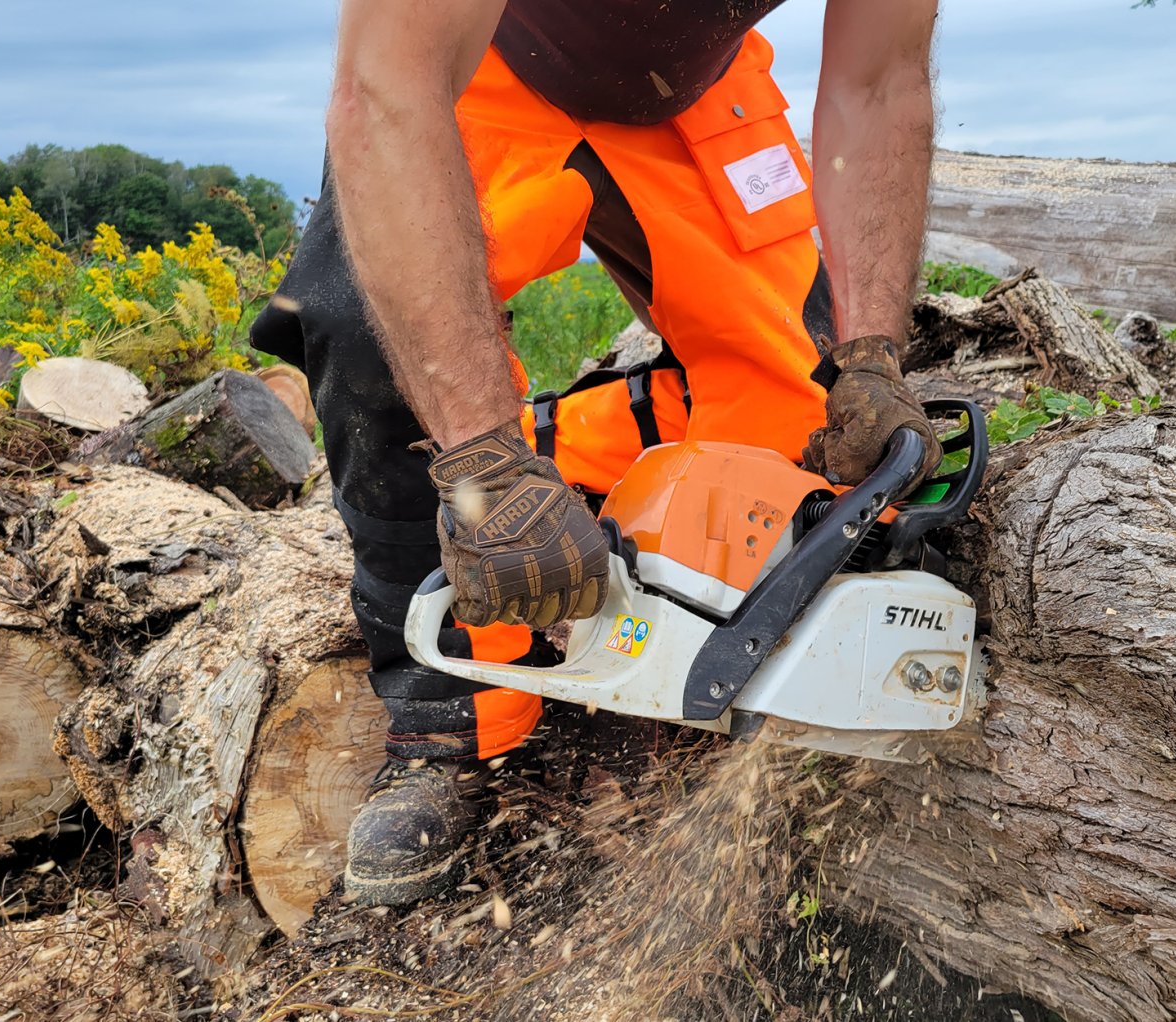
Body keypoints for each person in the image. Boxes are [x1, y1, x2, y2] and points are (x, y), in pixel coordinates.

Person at [249, 0, 944, 907]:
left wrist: (873, 355)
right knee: (375, 338)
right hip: (477, 71)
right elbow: (389, 91)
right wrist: (479, 465)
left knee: (806, 423)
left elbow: (880, 82)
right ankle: (453, 721)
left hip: (695, 90)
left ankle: (603, 516)